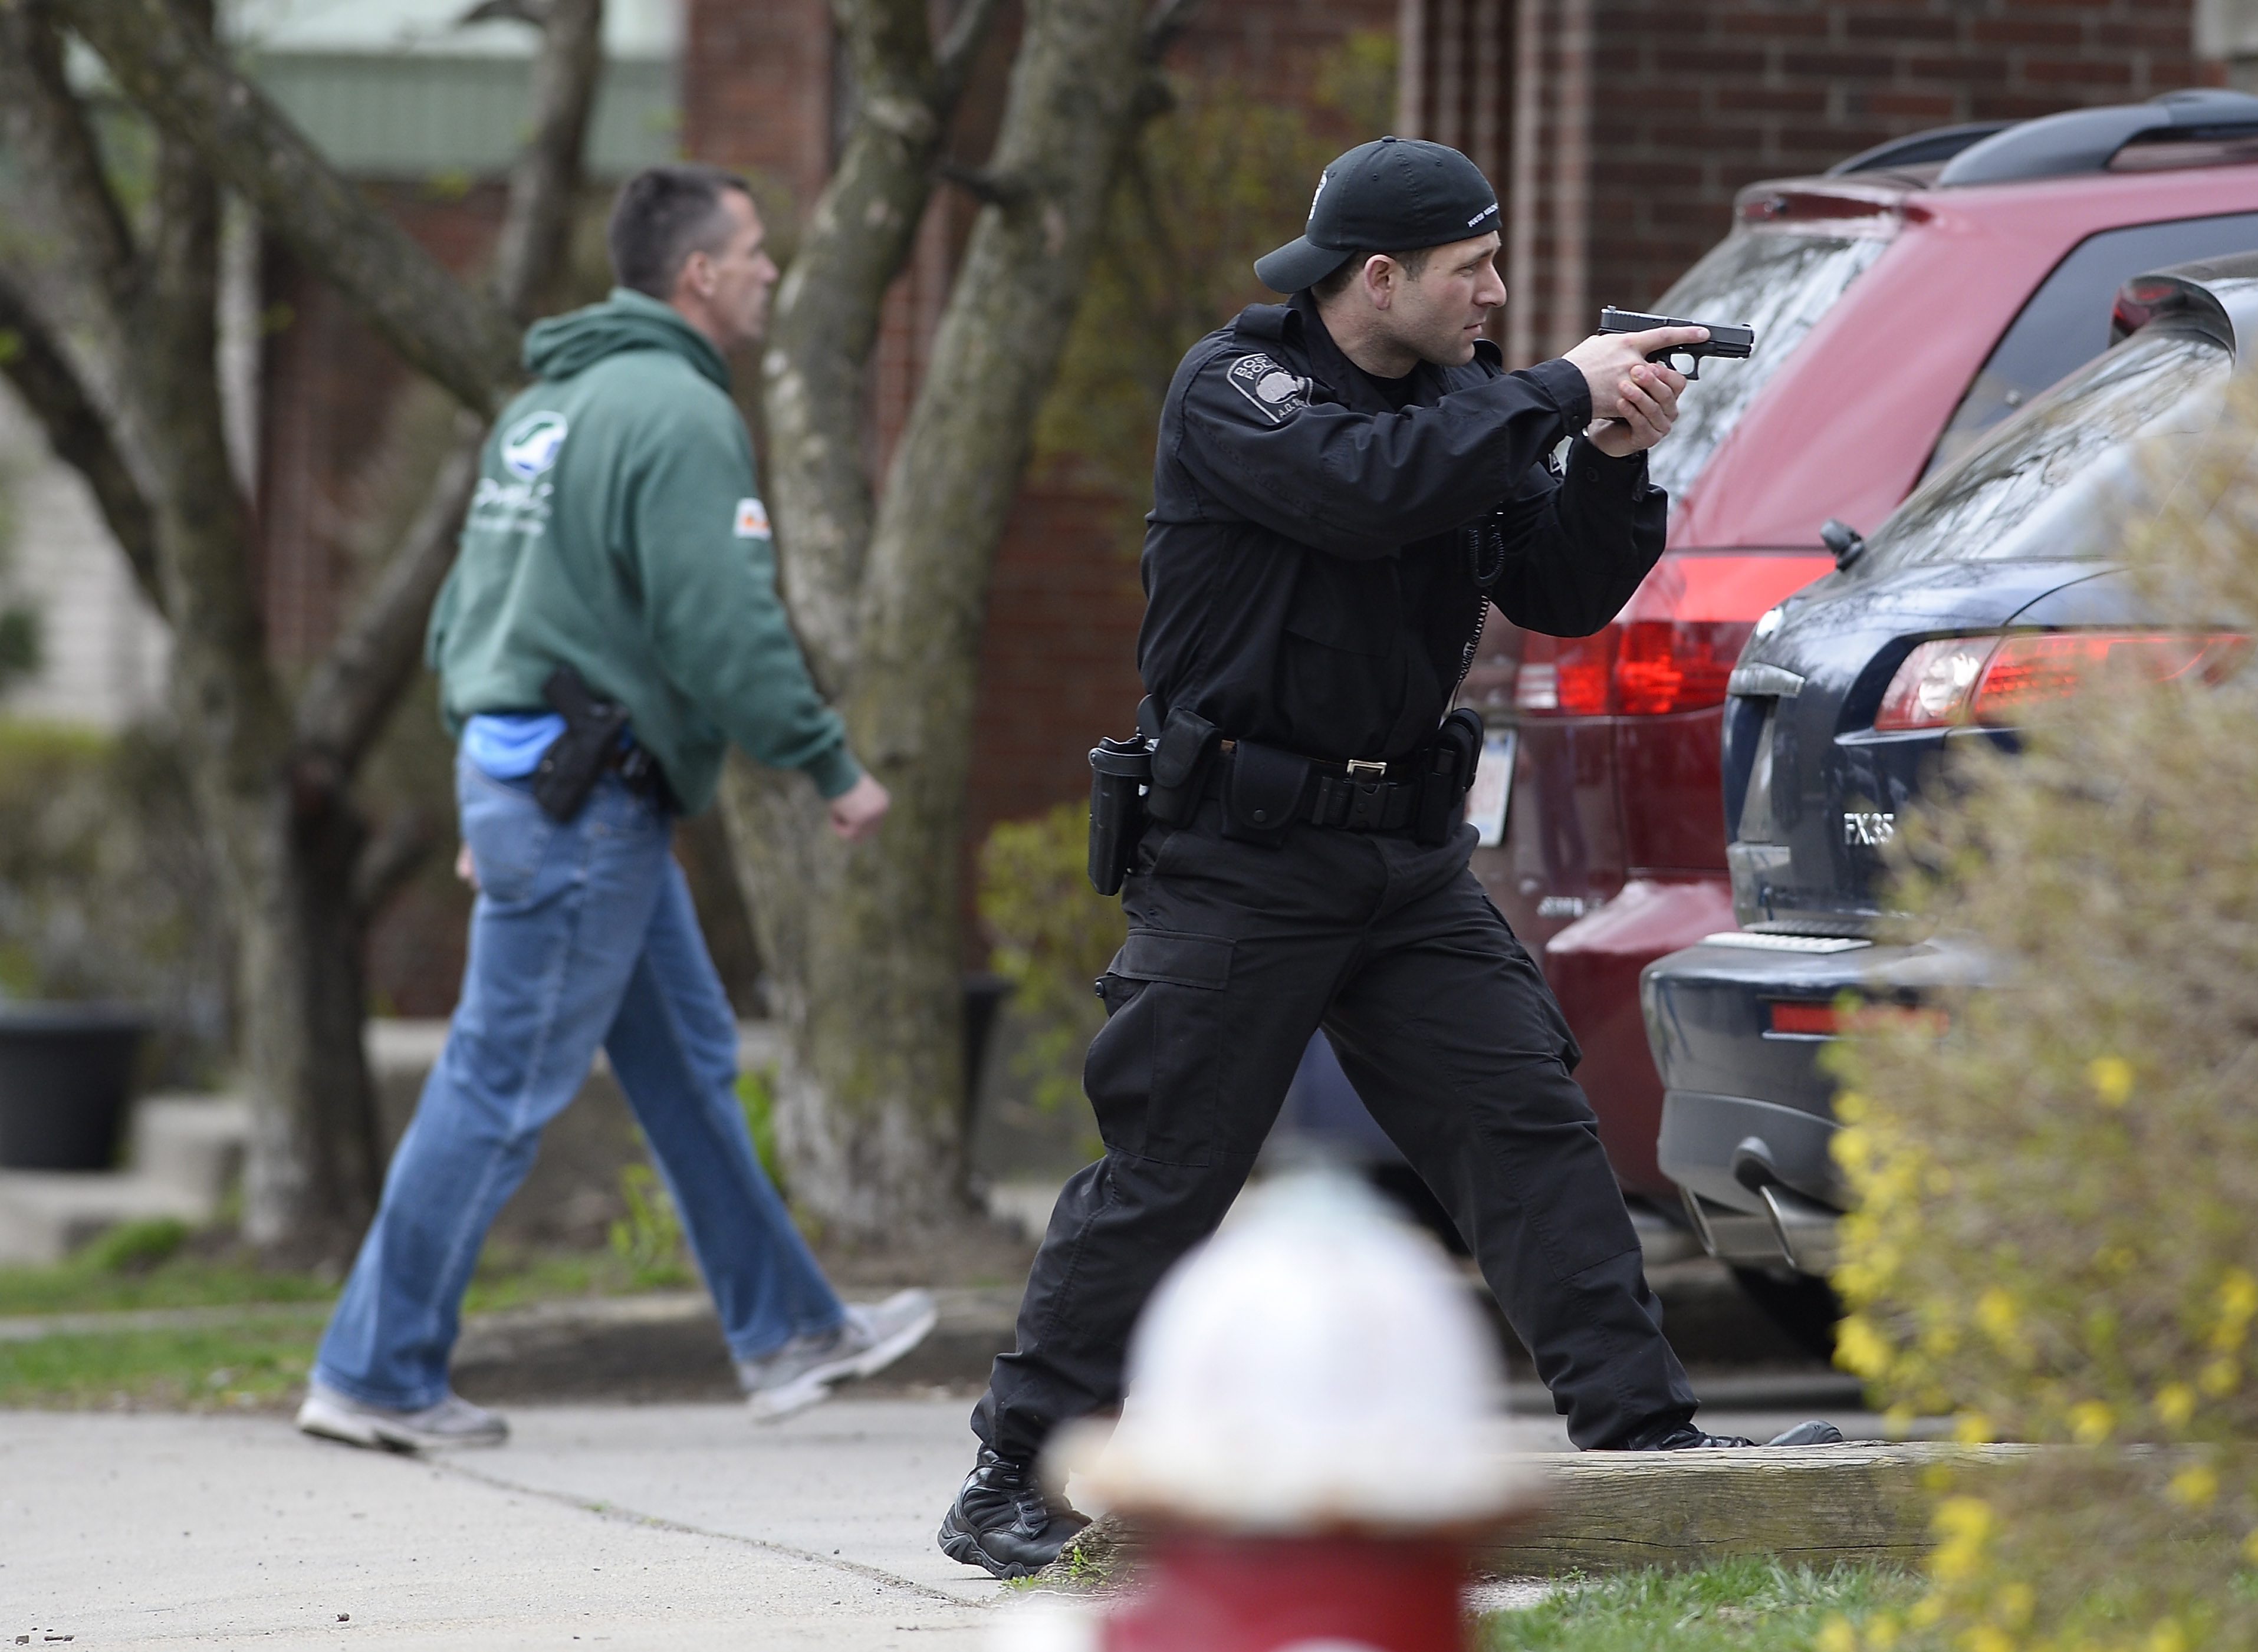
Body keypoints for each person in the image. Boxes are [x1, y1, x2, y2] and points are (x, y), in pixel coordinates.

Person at [938, 137, 1839, 1577]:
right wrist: (1556, 391)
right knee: (1171, 1166)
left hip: (1404, 865)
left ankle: (1646, 1448)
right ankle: (1016, 1475)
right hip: (1239, 852)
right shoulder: (1244, 391)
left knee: (1528, 1126)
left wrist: (1609, 459)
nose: (1496, 293)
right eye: (1471, 270)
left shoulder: (1465, 404)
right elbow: (1368, 490)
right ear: (1380, 277)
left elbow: (1556, 589)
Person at [298, 165, 936, 1452]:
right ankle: (375, 1371)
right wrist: (828, 762)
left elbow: (463, 615)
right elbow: (725, 628)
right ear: (698, 274)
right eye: (756, 248)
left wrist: (491, 781)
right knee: (497, 1081)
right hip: (582, 799)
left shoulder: (547, 406)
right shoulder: (679, 417)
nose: (771, 268)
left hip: (551, 785)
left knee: (689, 1070)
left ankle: (788, 1330)